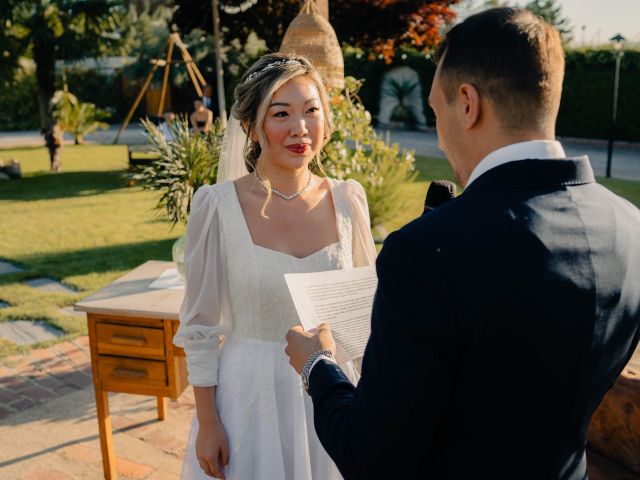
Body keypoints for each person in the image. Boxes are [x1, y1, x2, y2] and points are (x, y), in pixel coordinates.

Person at [285, 8, 640, 479]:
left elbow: (369, 455)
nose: (438, 129)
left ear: (468, 104)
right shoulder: (630, 227)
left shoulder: (427, 251)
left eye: (436, 110)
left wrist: (316, 366)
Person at [173, 52, 377, 480]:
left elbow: (366, 315)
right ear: (251, 127)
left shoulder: (348, 201)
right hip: (250, 398)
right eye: (281, 113)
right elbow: (201, 326)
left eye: (311, 111)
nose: (300, 128)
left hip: (334, 393)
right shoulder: (217, 207)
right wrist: (208, 422)